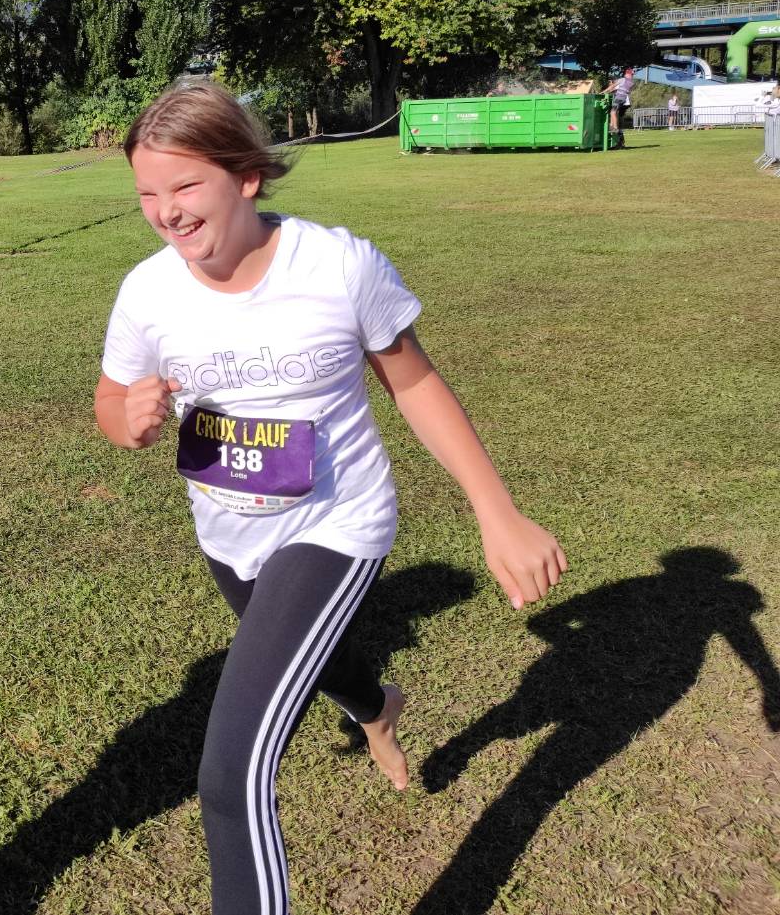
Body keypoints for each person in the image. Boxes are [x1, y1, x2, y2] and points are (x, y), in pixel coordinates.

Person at [93, 79, 567, 915]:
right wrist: (127, 419)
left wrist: (497, 509)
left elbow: (415, 384)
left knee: (231, 770)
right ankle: (377, 705)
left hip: (336, 523)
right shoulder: (148, 291)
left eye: (184, 186)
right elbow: (110, 397)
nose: (166, 211)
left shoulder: (338, 265)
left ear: (245, 176)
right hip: (227, 532)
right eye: (147, 194)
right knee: (307, 660)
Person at [603, 67, 634, 147]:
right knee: (616, 115)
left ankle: (614, 128)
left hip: (620, 100)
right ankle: (617, 135)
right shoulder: (631, 82)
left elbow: (612, 87)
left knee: (613, 113)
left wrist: (604, 91)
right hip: (624, 103)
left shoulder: (622, 80)